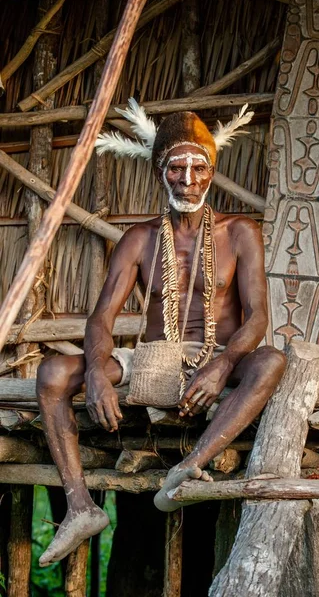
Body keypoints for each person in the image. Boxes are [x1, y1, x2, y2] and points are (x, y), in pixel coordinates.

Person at [36, 102, 286, 567]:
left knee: (271, 361)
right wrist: (93, 371)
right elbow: (100, 318)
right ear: (159, 172)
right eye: (176, 168)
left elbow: (256, 317)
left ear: (212, 172)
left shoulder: (241, 232)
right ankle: (80, 507)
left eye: (198, 168)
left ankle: (188, 467)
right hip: (152, 359)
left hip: (219, 358)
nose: (188, 180)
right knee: (52, 372)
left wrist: (224, 363)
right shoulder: (139, 238)